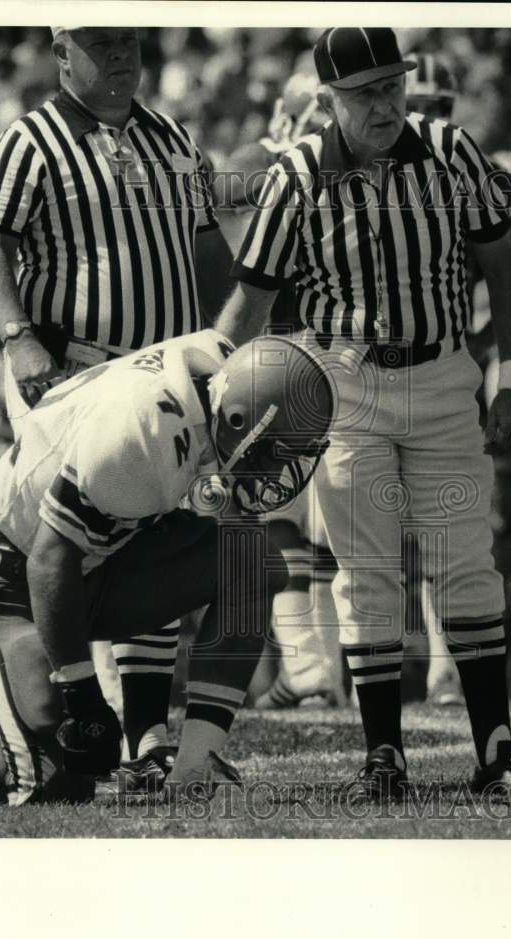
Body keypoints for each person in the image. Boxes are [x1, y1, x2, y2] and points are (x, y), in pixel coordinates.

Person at [217, 27, 511, 800]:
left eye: (392, 86)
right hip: (345, 385)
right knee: (365, 575)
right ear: (327, 100)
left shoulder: (449, 150)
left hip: (441, 378)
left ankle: (496, 750)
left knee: (466, 561)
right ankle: (382, 757)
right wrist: (213, 404)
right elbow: (249, 305)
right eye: (365, 93)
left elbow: (507, 268)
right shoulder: (294, 175)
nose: (386, 104)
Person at [0, 330, 334, 806]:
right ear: (237, 419)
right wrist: (82, 696)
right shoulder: (143, 430)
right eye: (275, 453)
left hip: (94, 562)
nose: (278, 472)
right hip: (7, 576)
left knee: (252, 561)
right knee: (53, 782)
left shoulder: (224, 385)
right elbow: (49, 562)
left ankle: (194, 764)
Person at [0, 26, 235, 779]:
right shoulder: (31, 139)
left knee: (172, 532)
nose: (119, 55)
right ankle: (79, 703)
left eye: (128, 40)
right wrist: (17, 337)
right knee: (89, 537)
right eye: (99, 42)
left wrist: (223, 341)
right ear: (62, 51)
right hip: (75, 376)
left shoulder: (173, 135)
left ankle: (144, 734)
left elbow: (206, 248)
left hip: (165, 379)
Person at [402, 51, 511, 707]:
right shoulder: (357, 171)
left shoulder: (474, 170)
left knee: (452, 516)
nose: (426, 117)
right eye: (418, 105)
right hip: (375, 365)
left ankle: (444, 668)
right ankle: (333, 674)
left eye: (438, 107)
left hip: (451, 359)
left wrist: (490, 344)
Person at [215, 74, 343, 711]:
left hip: (295, 358)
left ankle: (311, 673)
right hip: (304, 356)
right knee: (298, 524)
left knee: (296, 525)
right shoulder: (276, 169)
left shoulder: (267, 168)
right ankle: (311, 672)